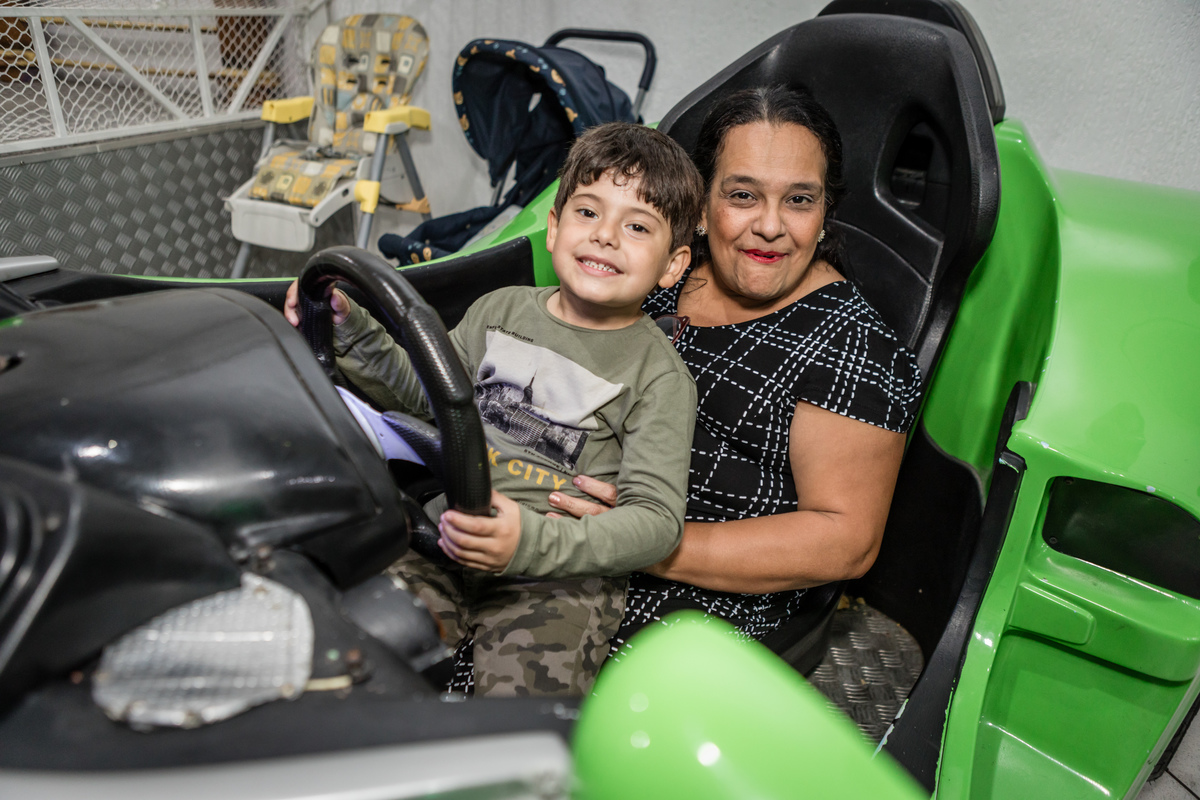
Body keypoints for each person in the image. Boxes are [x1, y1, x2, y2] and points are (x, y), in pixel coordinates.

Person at [285, 122, 702, 696]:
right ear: (553, 229)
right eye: (587, 212)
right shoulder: (499, 309)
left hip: (557, 574)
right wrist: (351, 330)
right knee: (345, 655)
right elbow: (431, 398)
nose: (606, 236)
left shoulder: (659, 376)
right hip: (446, 533)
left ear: (673, 266)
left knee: (518, 712)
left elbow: (656, 521)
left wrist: (530, 543)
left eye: (636, 226)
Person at [546, 86, 923, 657]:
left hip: (697, 600)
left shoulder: (853, 344)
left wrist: (645, 546)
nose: (771, 226)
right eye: (743, 195)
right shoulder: (659, 271)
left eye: (799, 200)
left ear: (825, 214)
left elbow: (844, 540)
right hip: (566, 518)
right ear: (700, 207)